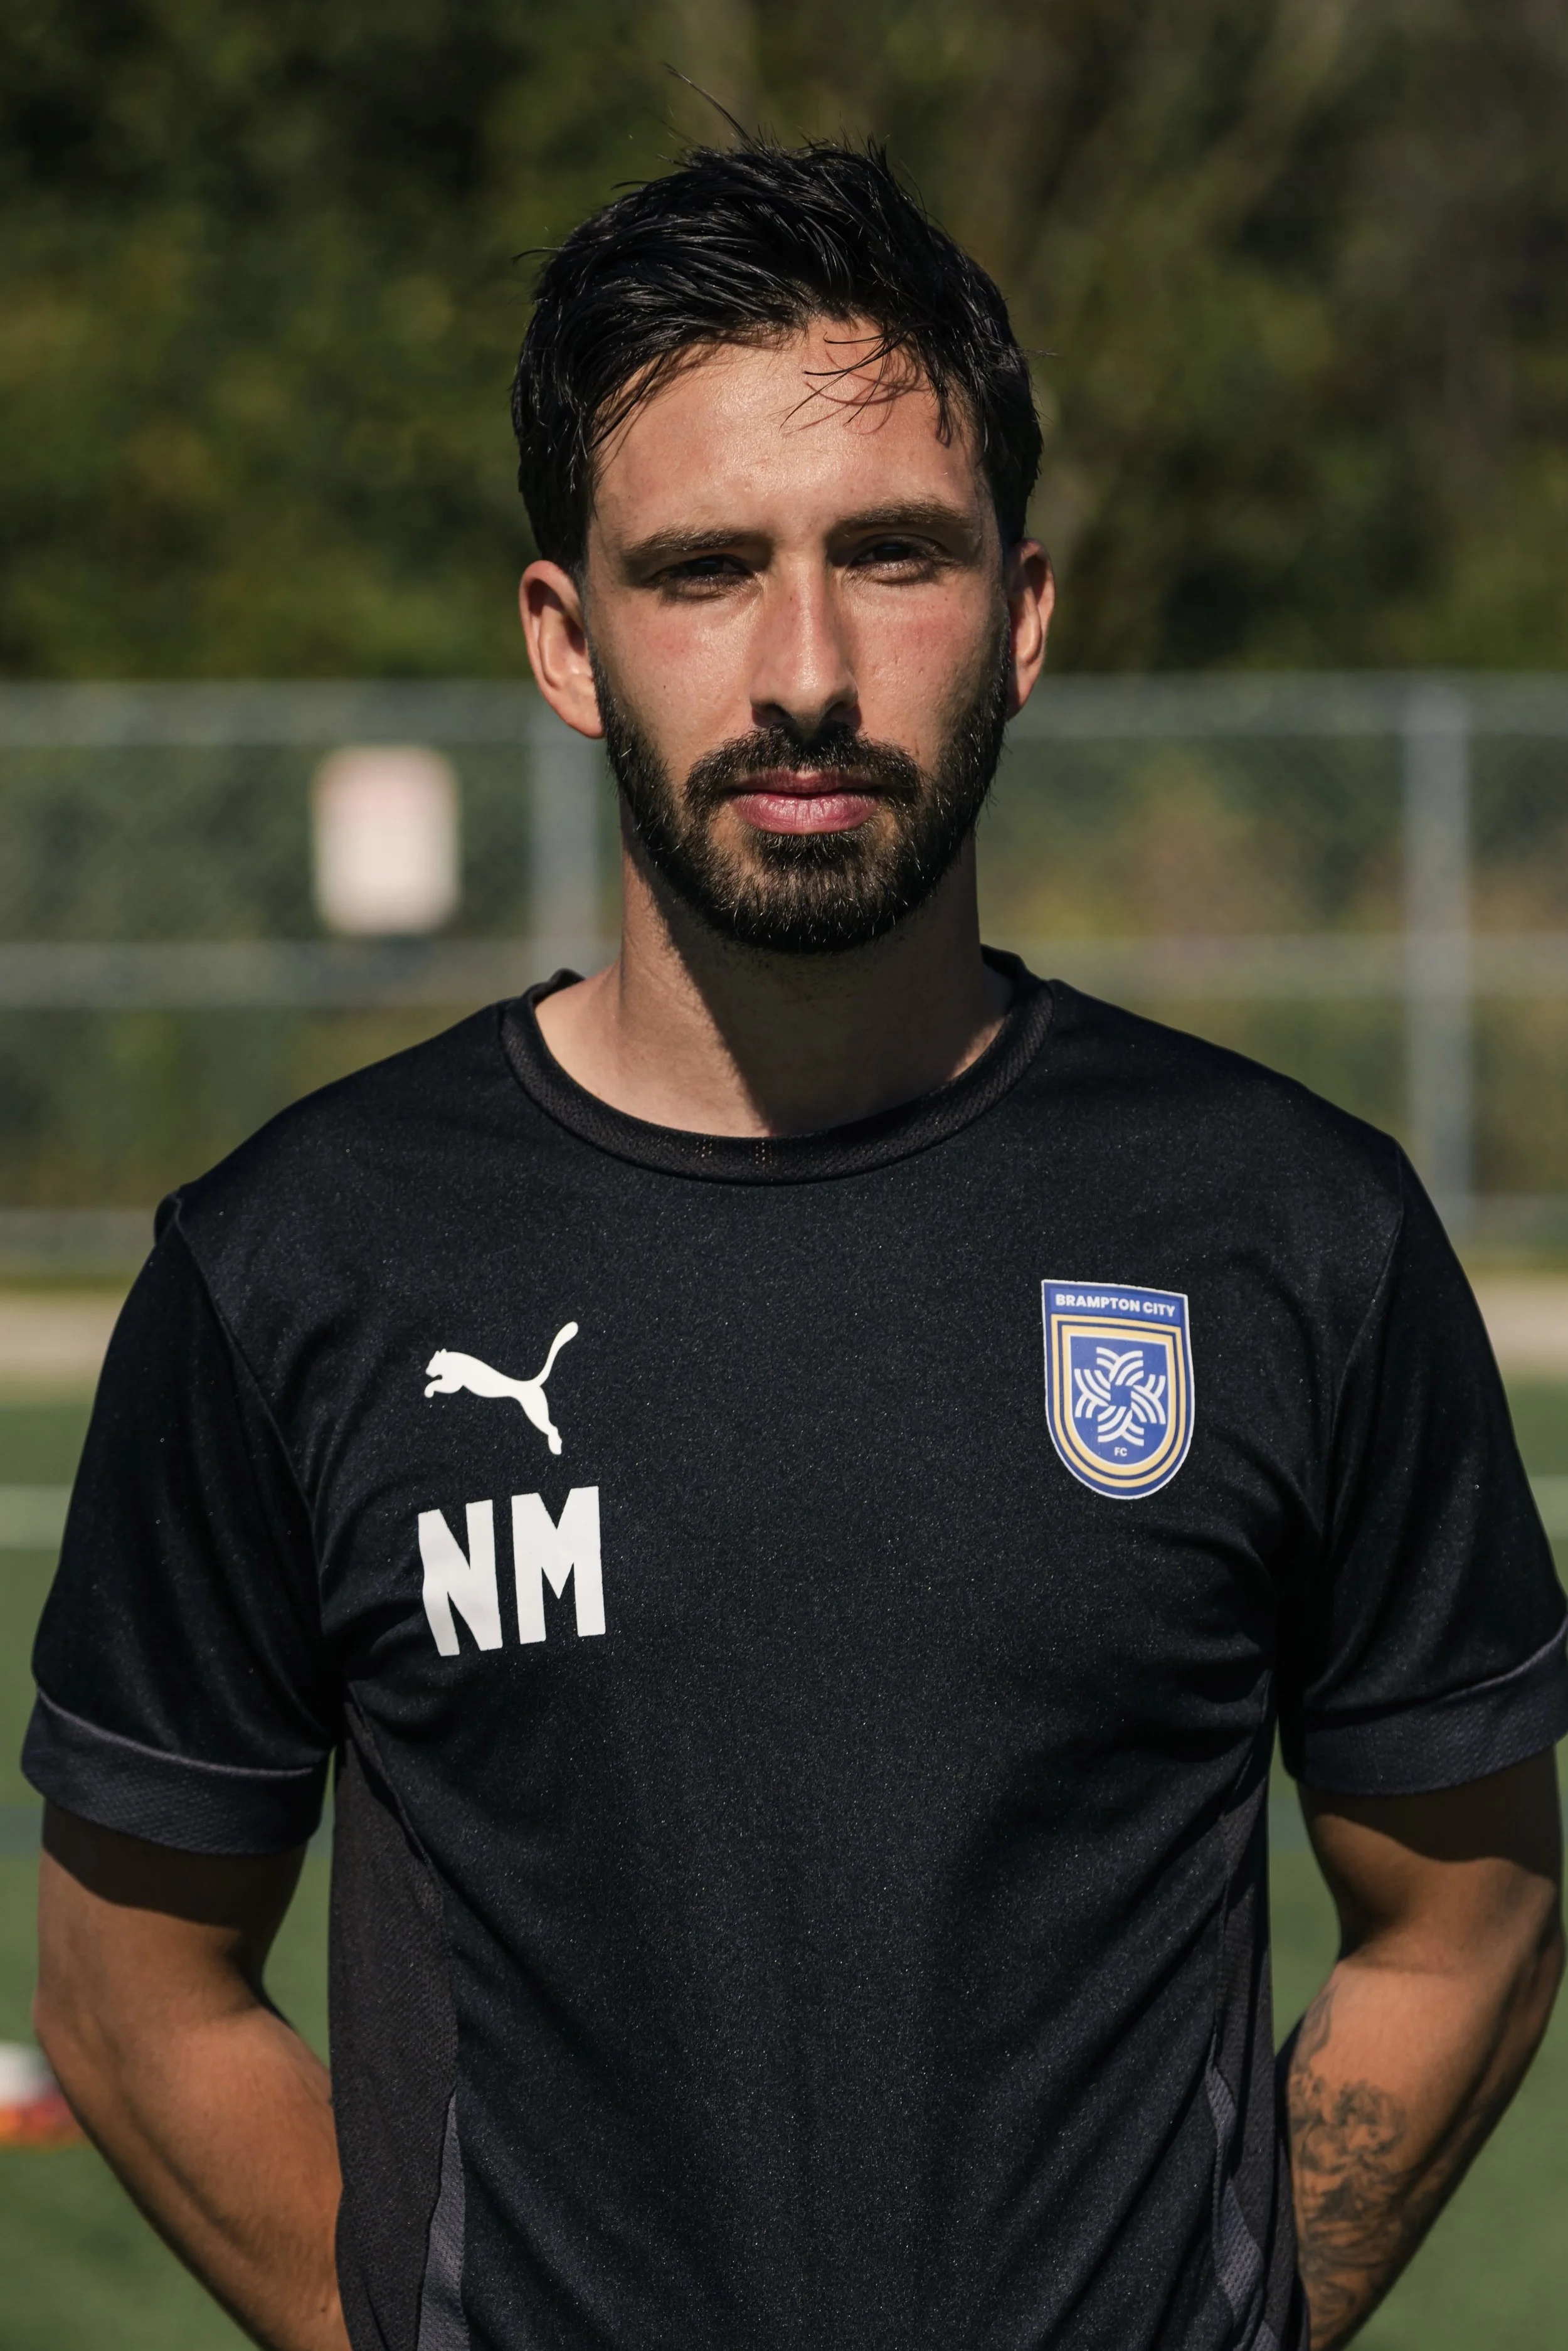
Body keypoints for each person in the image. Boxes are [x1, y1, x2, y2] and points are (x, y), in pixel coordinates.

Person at [24, 137, 1567, 2351]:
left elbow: (1466, 1916)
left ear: (1020, 612)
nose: (808, 670)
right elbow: (132, 1983)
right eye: (703, 570)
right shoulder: (298, 1265)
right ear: (567, 639)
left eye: (892, 554)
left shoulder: (1288, 1231)